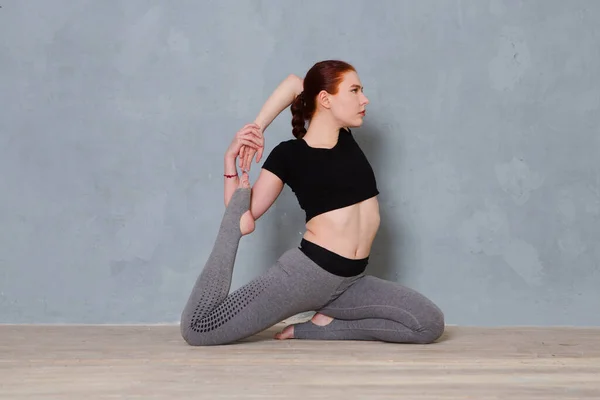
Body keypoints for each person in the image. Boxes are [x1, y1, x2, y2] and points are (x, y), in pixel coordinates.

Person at [180, 60, 445, 346]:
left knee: (428, 324)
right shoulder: (289, 156)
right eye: (354, 90)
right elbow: (243, 218)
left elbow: (297, 83)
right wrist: (232, 157)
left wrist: (259, 126)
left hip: (351, 280)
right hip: (305, 278)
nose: (364, 99)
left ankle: (322, 327)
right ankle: (318, 317)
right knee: (200, 328)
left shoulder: (346, 139)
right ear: (325, 99)